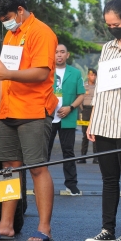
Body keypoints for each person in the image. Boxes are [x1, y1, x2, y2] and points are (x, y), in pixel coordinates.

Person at [0, 0, 58, 241]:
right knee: (8, 169)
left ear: (20, 10)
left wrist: (7, 75)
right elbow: (3, 76)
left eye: (6, 18)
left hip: (34, 111)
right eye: (1, 20)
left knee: (37, 168)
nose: (5, 23)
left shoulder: (41, 33)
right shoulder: (11, 37)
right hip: (8, 111)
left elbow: (41, 73)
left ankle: (44, 228)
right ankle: (5, 225)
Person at [85, 0, 121, 241]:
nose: (112, 28)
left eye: (116, 24)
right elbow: (101, 89)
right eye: (108, 25)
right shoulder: (107, 48)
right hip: (104, 123)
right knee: (108, 179)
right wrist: (92, 121)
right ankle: (107, 229)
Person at [47, 44, 85, 196]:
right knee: (44, 152)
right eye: (56, 52)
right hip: (48, 117)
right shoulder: (46, 72)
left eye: (62, 52)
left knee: (68, 151)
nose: (59, 55)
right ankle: (41, 184)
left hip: (67, 118)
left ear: (67, 55)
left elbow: (81, 94)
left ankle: (71, 184)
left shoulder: (75, 73)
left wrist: (70, 107)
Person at [78, 68, 98, 164]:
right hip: (85, 110)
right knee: (85, 135)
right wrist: (82, 111)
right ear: (88, 76)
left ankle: (96, 157)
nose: (92, 77)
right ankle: (83, 156)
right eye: (91, 75)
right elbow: (80, 99)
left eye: (94, 75)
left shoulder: (98, 87)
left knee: (95, 134)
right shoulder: (84, 86)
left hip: (95, 111)